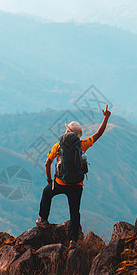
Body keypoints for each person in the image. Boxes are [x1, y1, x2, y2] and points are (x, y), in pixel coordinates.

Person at [35, 105, 111, 249]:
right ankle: (73, 241)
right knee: (74, 212)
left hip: (59, 183)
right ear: (78, 134)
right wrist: (106, 117)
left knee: (46, 193)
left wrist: (50, 181)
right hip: (76, 185)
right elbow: (99, 133)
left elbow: (47, 164)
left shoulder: (57, 147)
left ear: (67, 131)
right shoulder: (82, 145)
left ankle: (43, 220)